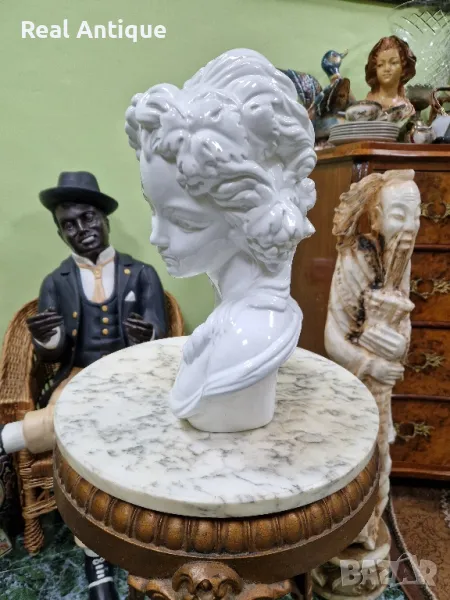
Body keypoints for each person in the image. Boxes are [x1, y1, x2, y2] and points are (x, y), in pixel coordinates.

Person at [0, 170, 168, 600]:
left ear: (105, 219)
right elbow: (52, 354)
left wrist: (145, 336)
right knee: (79, 421)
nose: (81, 229)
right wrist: (47, 339)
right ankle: (94, 556)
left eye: (88, 218)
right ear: (60, 233)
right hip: (77, 377)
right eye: (69, 224)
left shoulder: (142, 274)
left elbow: (161, 337)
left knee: (87, 425)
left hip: (132, 377)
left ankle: (13, 436)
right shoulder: (54, 282)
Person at [365, 35, 416, 118]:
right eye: (380, 65)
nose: (387, 69)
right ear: (375, 69)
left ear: (403, 68)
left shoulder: (406, 109)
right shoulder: (369, 105)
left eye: (393, 63)